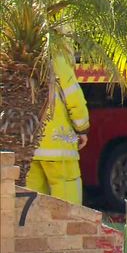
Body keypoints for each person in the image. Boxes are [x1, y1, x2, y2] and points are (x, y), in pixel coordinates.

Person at [26, 49, 90, 205]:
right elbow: (75, 102)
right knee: (67, 204)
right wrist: (82, 129)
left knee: (31, 204)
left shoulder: (23, 59)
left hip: (29, 148)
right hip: (59, 146)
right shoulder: (59, 63)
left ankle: (33, 230)